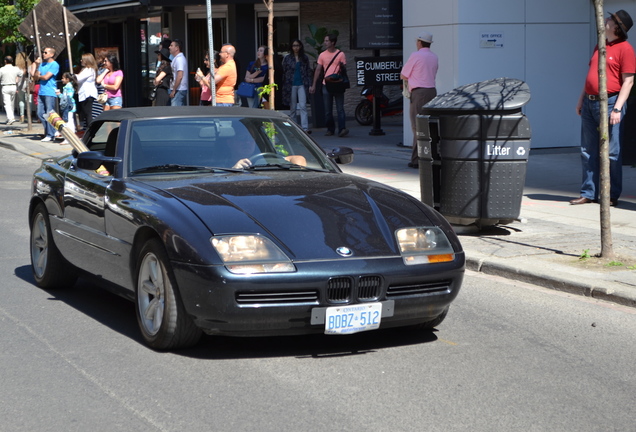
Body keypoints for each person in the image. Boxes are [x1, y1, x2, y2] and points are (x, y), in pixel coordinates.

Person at [571, 10, 635, 207]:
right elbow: (591, 74)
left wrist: (617, 109)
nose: (605, 20)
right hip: (590, 102)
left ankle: (611, 194)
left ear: (616, 27)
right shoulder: (600, 46)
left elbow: (629, 82)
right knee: (587, 150)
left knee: (612, 152)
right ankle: (588, 192)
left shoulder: (626, 49)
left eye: (610, 19)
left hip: (609, 103)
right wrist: (581, 99)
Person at [400, 32, 439, 169]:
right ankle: (431, 154)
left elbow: (404, 74)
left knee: (417, 126)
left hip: (419, 92)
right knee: (429, 124)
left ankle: (416, 159)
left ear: (419, 43)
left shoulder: (415, 56)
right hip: (432, 91)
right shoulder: (434, 57)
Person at [310, 34, 348, 137]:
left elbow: (344, 68)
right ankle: (330, 129)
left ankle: (342, 129)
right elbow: (318, 69)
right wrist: (313, 84)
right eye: (325, 41)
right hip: (326, 84)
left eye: (327, 41)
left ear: (333, 42)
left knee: (340, 108)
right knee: (328, 110)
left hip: (338, 83)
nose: (325, 43)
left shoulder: (341, 54)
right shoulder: (322, 55)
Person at [282, 39, 312, 133]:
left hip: (302, 83)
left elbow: (308, 71)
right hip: (291, 84)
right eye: (294, 45)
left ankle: (305, 127)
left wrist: (310, 84)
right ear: (291, 47)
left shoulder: (304, 58)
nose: (296, 47)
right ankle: (294, 128)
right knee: (293, 107)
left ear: (300, 46)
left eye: (298, 45)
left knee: (303, 106)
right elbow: (284, 71)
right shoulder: (287, 58)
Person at [33, 47, 60, 141]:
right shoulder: (42, 64)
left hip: (50, 91)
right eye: (43, 52)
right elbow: (35, 77)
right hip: (41, 91)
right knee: (40, 113)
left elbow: (46, 77)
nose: (43, 54)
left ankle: (50, 134)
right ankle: (50, 131)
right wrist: (37, 66)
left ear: (51, 54)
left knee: (50, 114)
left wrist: (39, 76)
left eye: (45, 52)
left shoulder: (54, 65)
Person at [76, 53, 98, 130]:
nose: (81, 60)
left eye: (83, 59)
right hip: (84, 94)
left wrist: (71, 76)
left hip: (87, 94)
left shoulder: (89, 70)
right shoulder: (87, 69)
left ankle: (90, 131)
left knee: (88, 114)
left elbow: (78, 78)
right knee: (86, 113)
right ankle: (87, 130)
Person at [0, 56, 24, 125]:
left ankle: (10, 118)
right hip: (13, 86)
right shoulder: (15, 69)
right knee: (11, 103)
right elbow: (21, 74)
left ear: (5, 61)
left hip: (5, 86)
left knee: (7, 103)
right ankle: (10, 117)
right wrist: (17, 79)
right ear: (12, 61)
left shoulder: (2, 69)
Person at [56, 72, 78, 144]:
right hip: (70, 106)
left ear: (67, 79)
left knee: (68, 122)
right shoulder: (69, 86)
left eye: (63, 78)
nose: (62, 79)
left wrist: (59, 95)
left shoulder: (68, 86)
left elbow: (67, 97)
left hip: (68, 106)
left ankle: (69, 138)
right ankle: (72, 137)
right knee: (70, 121)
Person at [169, 38, 188, 106]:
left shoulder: (179, 59)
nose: (169, 47)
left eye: (171, 45)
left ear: (177, 48)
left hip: (179, 90)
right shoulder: (176, 58)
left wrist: (174, 90)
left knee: (175, 112)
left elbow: (179, 76)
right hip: (178, 89)